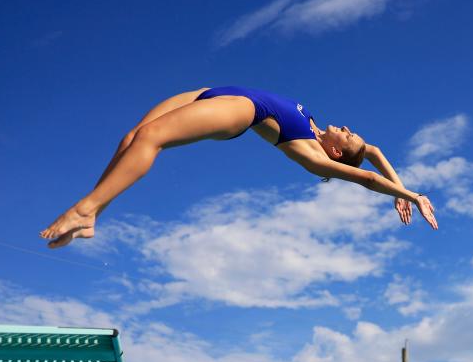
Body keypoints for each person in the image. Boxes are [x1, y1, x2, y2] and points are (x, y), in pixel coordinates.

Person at [40, 86, 437, 248]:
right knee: (132, 137)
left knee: (150, 140)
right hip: (219, 89)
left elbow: (366, 175)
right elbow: (376, 153)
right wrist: (399, 186)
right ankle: (94, 215)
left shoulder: (315, 157)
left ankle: (84, 209)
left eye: (348, 136)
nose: (349, 129)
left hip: (243, 110)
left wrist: (411, 195)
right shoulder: (319, 128)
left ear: (335, 154)